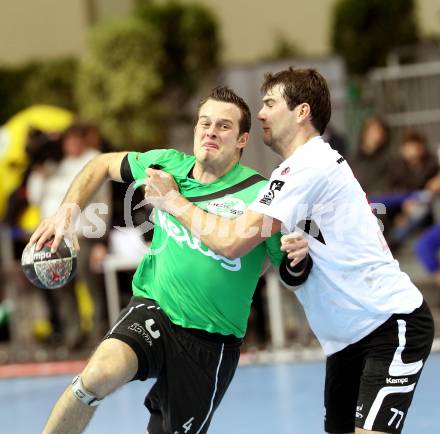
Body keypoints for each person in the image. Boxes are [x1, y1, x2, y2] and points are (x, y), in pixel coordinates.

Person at [145, 68, 434, 434]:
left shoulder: (306, 167)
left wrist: (172, 201)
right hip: (345, 340)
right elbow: (295, 266)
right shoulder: (297, 172)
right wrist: (299, 256)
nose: (261, 113)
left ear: (302, 112)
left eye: (269, 103)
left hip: (389, 324)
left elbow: (232, 242)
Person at [29, 86, 308, 434]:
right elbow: (100, 164)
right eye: (204, 123)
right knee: (96, 376)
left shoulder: (260, 194)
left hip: (211, 341)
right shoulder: (168, 164)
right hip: (155, 309)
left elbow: (288, 270)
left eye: (223, 126)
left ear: (242, 140)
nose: (210, 131)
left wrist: (297, 259)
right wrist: (66, 213)